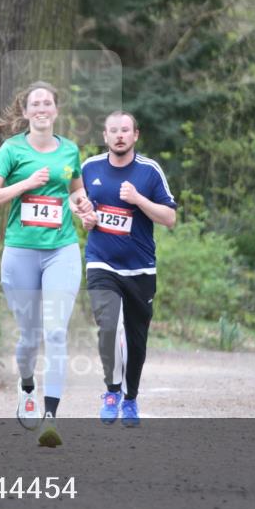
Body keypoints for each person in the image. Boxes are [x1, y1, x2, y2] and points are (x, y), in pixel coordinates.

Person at [0, 81, 92, 443]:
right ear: (26, 113)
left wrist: (83, 208)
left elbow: (75, 192)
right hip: (21, 251)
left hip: (62, 249)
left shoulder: (70, 150)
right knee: (29, 335)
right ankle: (26, 386)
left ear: (56, 110)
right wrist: (25, 184)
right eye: (35, 104)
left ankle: (50, 418)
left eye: (48, 103)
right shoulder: (11, 150)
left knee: (56, 331)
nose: (42, 108)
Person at [79, 111, 176, 427]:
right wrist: (85, 217)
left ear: (135, 135)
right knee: (108, 326)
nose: (119, 135)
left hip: (140, 269)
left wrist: (138, 200)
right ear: (104, 136)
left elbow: (169, 218)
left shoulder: (149, 172)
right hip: (101, 261)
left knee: (136, 340)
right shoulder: (90, 168)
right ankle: (111, 392)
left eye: (125, 130)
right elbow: (75, 201)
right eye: (113, 130)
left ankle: (130, 397)